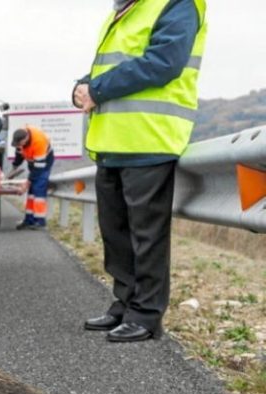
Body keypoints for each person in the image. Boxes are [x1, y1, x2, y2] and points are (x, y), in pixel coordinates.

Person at [74, 0, 207, 343]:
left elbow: (164, 63)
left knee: (146, 236)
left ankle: (146, 315)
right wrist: (83, 86)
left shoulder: (177, 4)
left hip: (150, 139)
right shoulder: (123, 11)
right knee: (116, 233)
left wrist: (97, 89)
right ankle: (125, 303)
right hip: (112, 142)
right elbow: (112, 66)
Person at [7, 125, 55, 230]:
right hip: (32, 161)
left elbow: (38, 168)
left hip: (43, 163)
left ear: (26, 138)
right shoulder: (21, 137)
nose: (19, 146)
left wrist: (27, 183)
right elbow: (19, 154)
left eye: (20, 144)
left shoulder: (39, 142)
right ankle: (29, 220)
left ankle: (40, 221)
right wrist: (14, 167)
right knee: (31, 192)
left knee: (38, 188)